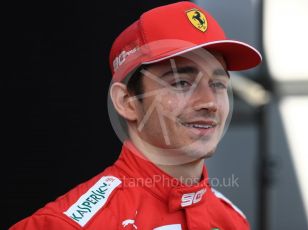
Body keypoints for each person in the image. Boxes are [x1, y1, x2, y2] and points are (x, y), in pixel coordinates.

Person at [10, 1, 261, 229]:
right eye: (182, 83)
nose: (209, 102)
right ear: (126, 102)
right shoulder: (66, 225)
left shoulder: (232, 220)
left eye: (217, 84)